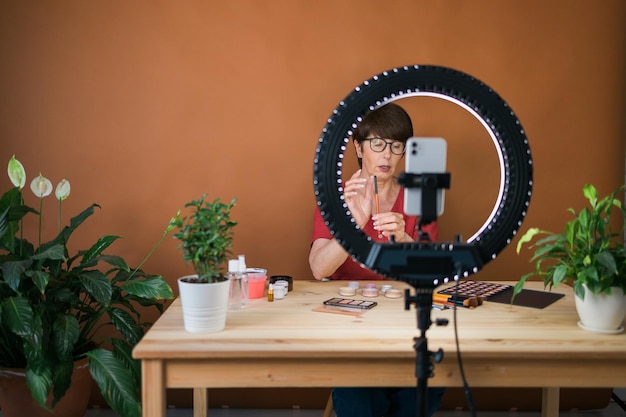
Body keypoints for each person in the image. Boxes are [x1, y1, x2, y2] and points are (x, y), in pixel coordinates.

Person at [309, 102, 445, 417]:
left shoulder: (419, 197)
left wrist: (405, 241)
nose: (386, 155)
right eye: (377, 144)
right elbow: (318, 269)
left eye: (396, 146)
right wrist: (349, 229)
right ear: (358, 146)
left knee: (428, 375)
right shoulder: (336, 197)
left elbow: (434, 271)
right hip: (349, 319)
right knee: (360, 386)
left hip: (404, 317)